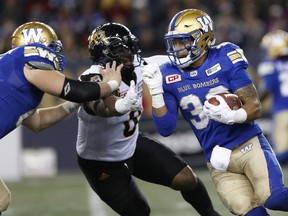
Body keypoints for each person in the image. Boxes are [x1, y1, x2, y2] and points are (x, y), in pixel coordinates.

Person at [142, 9, 288, 216]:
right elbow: (166, 129)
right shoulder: (167, 74)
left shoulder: (225, 56)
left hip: (248, 145)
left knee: (274, 197)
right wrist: (156, 92)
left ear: (201, 39)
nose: (176, 49)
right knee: (248, 211)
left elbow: (254, 106)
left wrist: (232, 116)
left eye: (182, 41)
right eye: (174, 43)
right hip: (218, 160)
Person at [76, 22, 221, 216]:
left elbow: (182, 59)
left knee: (186, 179)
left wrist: (213, 54)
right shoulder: (91, 78)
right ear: (103, 54)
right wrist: (120, 105)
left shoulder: (139, 67)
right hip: (101, 160)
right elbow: (103, 106)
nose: (129, 55)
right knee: (140, 212)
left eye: (130, 48)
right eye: (120, 50)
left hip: (131, 143)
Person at [0, 21, 123, 214]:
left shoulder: (14, 75)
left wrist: (71, 105)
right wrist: (112, 84)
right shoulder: (30, 59)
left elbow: (37, 121)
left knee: (2, 198)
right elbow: (75, 91)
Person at [257, 29, 288, 166]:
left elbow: (265, 90)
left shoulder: (270, 65)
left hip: (282, 111)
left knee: (280, 154)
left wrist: (254, 103)